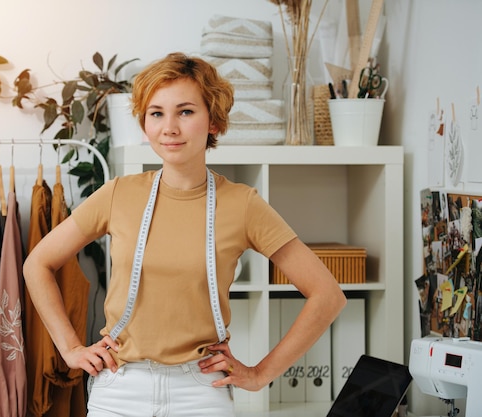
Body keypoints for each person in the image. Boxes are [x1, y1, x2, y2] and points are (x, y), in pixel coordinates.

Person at [23, 52, 347, 416]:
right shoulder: (118, 194)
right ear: (145, 123)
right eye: (156, 113)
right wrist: (70, 348)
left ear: (213, 122)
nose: (169, 128)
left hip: (201, 392)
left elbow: (327, 295)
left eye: (186, 111)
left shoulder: (242, 204)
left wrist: (260, 374)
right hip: (120, 388)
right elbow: (38, 264)